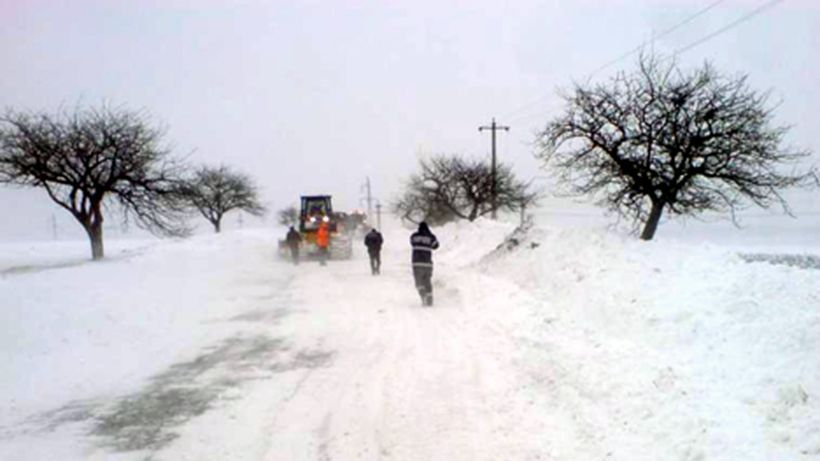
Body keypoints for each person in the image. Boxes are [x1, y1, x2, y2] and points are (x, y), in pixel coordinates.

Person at [410, 221, 439, 306]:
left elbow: (412, 243)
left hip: (416, 263)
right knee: (427, 281)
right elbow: (436, 246)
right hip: (427, 263)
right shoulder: (431, 237)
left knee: (418, 282)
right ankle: (429, 299)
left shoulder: (414, 236)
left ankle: (423, 295)